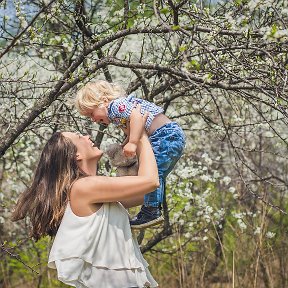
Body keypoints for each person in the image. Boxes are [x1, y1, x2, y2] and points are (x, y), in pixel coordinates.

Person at [11, 106, 159, 288]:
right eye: (80, 137)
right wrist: (140, 135)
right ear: (76, 155)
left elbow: (145, 193)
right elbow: (151, 181)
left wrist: (130, 152)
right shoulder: (84, 187)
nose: (88, 137)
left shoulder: (90, 188)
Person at [75, 80, 186, 229]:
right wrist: (127, 142)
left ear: (103, 101)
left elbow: (136, 117)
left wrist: (133, 142)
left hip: (164, 136)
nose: (93, 120)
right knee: (156, 173)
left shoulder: (115, 107)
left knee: (154, 172)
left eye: (91, 114)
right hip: (168, 136)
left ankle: (151, 211)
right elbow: (135, 126)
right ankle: (151, 208)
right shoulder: (115, 111)